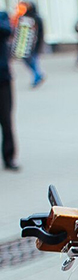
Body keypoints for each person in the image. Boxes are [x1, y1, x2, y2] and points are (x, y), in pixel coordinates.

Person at [0, 11, 18, 171]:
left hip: (2, 79)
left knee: (6, 120)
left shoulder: (2, 16)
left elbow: (7, 30)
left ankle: (9, 157)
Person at [14, 1, 44, 88]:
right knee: (28, 60)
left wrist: (39, 42)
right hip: (25, 44)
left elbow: (41, 32)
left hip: (34, 43)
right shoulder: (24, 17)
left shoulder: (37, 18)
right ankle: (37, 75)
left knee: (32, 60)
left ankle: (36, 76)